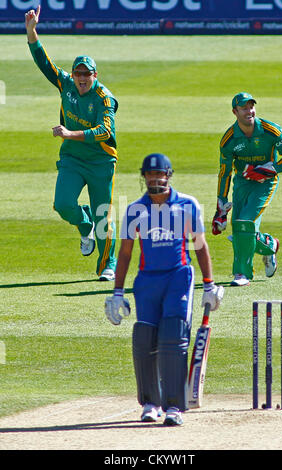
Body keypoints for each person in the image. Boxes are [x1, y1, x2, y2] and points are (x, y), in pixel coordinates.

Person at [105, 153, 224, 426]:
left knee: (173, 338)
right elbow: (124, 253)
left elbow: (201, 245)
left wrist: (209, 284)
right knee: (144, 340)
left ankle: (174, 406)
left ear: (169, 176)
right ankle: (150, 402)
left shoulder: (187, 205)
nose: (155, 179)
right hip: (147, 281)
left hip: (178, 278)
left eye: (160, 175)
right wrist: (117, 293)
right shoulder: (135, 210)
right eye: (150, 175)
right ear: (143, 177)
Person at [25, 6, 118, 281]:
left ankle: (107, 266)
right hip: (73, 160)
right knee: (63, 204)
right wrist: (32, 32)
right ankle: (83, 222)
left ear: (95, 76)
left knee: (104, 216)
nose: (81, 78)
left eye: (86, 74)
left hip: (101, 161)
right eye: (78, 73)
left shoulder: (104, 99)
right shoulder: (66, 84)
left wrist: (69, 134)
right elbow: (44, 62)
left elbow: (105, 131)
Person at [212, 92, 282, 287]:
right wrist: (221, 205)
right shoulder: (229, 140)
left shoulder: (270, 130)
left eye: (251, 106)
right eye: (244, 108)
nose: (249, 111)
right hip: (242, 183)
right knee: (240, 230)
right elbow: (224, 172)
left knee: (245, 222)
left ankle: (242, 274)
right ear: (235, 112)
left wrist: (269, 170)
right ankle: (269, 246)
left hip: (265, 183)